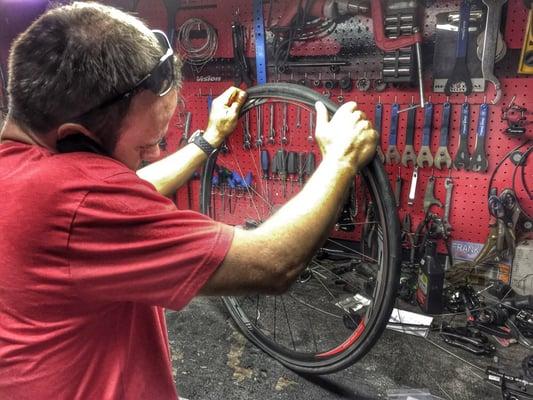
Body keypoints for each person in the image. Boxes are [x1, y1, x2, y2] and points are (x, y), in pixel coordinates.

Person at [0, 2, 378, 399]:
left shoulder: (26, 171)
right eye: (144, 147)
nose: (153, 155)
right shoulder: (76, 198)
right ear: (76, 138)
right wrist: (340, 159)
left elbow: (133, 187)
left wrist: (206, 140)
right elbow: (272, 264)